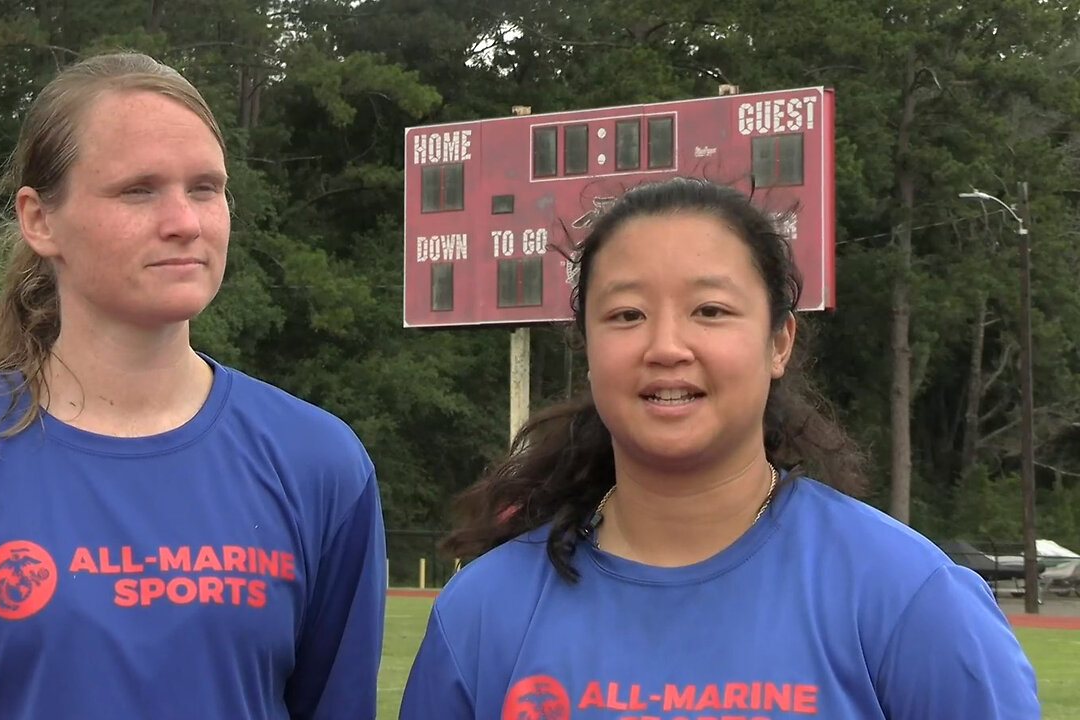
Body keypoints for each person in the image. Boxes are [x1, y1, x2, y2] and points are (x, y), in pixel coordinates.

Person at [0, 52, 386, 719]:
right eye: (139, 190)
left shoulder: (320, 466)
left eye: (205, 187)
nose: (185, 222)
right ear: (39, 219)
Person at [399, 178, 1038, 719]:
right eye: (626, 315)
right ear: (588, 351)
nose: (666, 346)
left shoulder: (908, 599)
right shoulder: (484, 614)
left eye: (710, 310)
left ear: (779, 343)